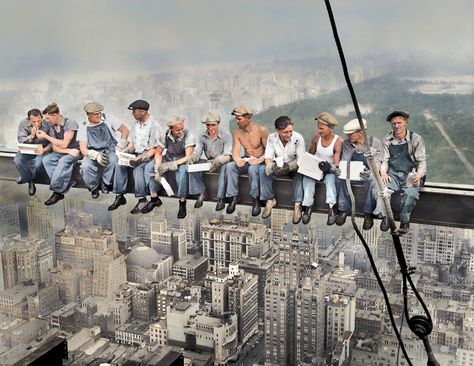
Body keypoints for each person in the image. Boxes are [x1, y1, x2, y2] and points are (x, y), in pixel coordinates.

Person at [378, 110, 426, 234]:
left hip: (410, 175)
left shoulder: (415, 139)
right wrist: (383, 172)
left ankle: (404, 222)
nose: (396, 126)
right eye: (393, 123)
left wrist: (419, 175)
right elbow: (385, 160)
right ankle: (387, 217)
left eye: (399, 122)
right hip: (393, 174)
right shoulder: (387, 140)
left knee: (410, 194)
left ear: (406, 123)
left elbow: (422, 161)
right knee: (382, 190)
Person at [77, 101, 129, 209]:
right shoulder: (83, 126)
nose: (98, 116)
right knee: (85, 166)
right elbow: (83, 149)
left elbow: (125, 130)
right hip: (93, 151)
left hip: (109, 148)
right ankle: (93, 187)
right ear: (88, 115)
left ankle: (105, 183)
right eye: (95, 114)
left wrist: (120, 146)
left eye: (99, 113)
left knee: (114, 160)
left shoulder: (108, 118)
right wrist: (95, 155)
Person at [334, 118, 383, 229]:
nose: (348, 137)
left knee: (371, 181)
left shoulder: (375, 143)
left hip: (368, 172)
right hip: (353, 171)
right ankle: (344, 208)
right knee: (339, 178)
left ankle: (367, 213)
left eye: (350, 134)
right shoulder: (347, 144)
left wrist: (370, 172)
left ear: (360, 133)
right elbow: (345, 160)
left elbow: (377, 164)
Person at [259, 116, 306, 221]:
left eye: (290, 131)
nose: (289, 135)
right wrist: (273, 166)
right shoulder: (272, 138)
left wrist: (289, 167)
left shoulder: (298, 138)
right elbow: (268, 157)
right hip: (279, 165)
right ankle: (270, 199)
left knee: (300, 173)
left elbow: (301, 159)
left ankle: (297, 204)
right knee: (263, 170)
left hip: (293, 166)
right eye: (285, 132)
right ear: (278, 131)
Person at [225, 106, 268, 216]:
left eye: (239, 119)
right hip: (247, 159)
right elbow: (236, 151)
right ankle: (234, 197)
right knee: (230, 166)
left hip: (259, 160)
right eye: (236, 118)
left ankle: (255, 199)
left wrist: (259, 160)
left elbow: (269, 151)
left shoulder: (261, 130)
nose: (237, 121)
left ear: (248, 118)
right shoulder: (237, 132)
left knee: (253, 169)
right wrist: (237, 159)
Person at [302, 112, 343, 224]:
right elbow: (310, 154)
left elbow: (337, 162)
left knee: (330, 181)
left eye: (322, 128)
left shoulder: (338, 141)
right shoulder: (316, 138)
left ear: (330, 128)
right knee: (308, 180)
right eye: (318, 128)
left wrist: (330, 167)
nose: (319, 131)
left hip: (329, 169)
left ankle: (331, 208)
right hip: (317, 167)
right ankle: (308, 207)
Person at [37, 103, 81, 205]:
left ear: (55, 115)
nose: (47, 121)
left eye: (48, 118)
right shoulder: (52, 126)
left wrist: (46, 137)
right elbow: (55, 146)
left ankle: (57, 192)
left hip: (76, 151)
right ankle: (68, 182)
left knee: (63, 161)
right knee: (47, 160)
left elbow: (64, 143)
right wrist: (67, 151)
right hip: (66, 151)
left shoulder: (70, 123)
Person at [123, 100, 162, 214]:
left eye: (134, 111)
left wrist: (140, 159)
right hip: (140, 155)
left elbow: (154, 149)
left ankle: (154, 198)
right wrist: (126, 151)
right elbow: (133, 142)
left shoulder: (153, 125)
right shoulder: (136, 124)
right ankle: (142, 200)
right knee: (137, 171)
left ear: (143, 112)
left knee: (149, 171)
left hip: (154, 156)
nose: (133, 113)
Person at [187, 112, 232, 210]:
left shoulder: (226, 135)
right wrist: (193, 157)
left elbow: (228, 155)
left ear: (218, 124)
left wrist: (218, 160)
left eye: (213, 125)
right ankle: (201, 192)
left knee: (224, 168)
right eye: (208, 125)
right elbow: (198, 151)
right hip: (209, 161)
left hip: (222, 161)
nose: (210, 127)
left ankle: (221, 198)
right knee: (192, 167)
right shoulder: (202, 136)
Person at [154, 116, 196, 219]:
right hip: (169, 157)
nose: (181, 131)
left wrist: (171, 165)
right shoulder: (164, 135)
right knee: (151, 169)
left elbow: (188, 157)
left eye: (182, 128)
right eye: (178, 130)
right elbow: (158, 153)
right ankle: (154, 198)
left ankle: (182, 202)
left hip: (181, 160)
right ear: (171, 129)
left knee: (182, 174)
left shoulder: (189, 136)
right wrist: (158, 167)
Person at [14, 108, 51, 196]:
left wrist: (44, 149)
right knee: (17, 161)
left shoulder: (48, 123)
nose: (37, 123)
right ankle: (28, 178)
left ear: (41, 117)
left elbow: (53, 141)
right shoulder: (23, 123)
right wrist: (32, 136)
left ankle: (31, 179)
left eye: (39, 120)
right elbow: (21, 139)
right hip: (28, 148)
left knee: (38, 164)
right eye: (33, 122)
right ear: (28, 120)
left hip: (42, 149)